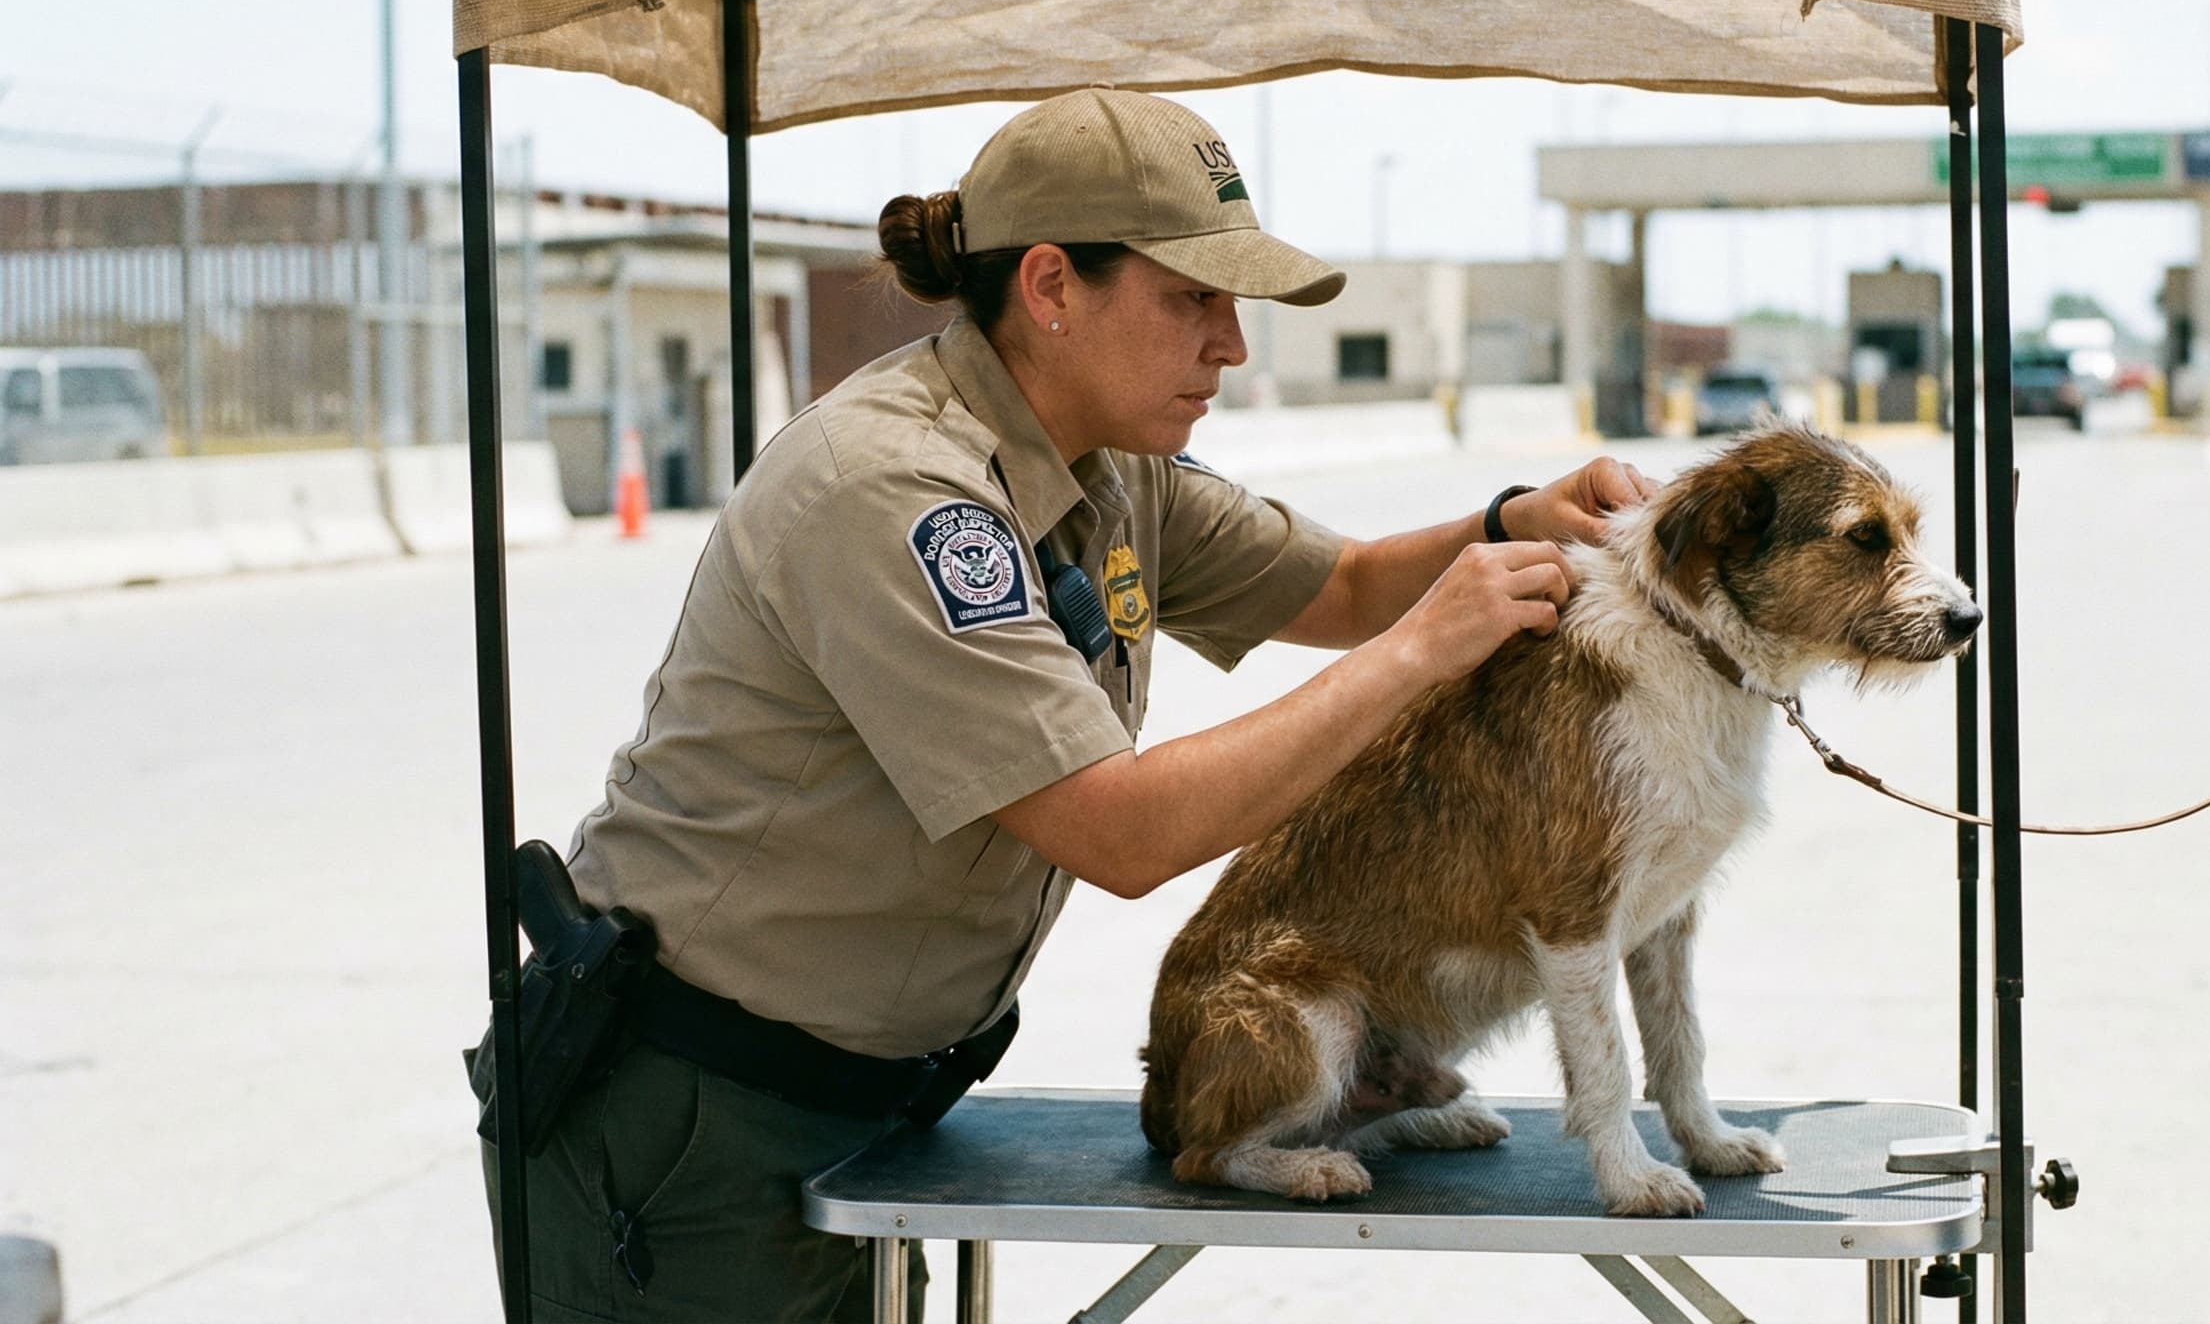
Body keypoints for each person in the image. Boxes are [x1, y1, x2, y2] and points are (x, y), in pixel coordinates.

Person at [477, 87, 1658, 1321]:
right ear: (1049, 287)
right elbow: (1121, 832)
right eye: (1191, 299)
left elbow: (1343, 582)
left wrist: (1508, 520)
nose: (1232, 345)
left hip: (852, 1106)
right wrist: (1426, 651)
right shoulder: (893, 488)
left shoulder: (1109, 463)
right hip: (691, 1119)